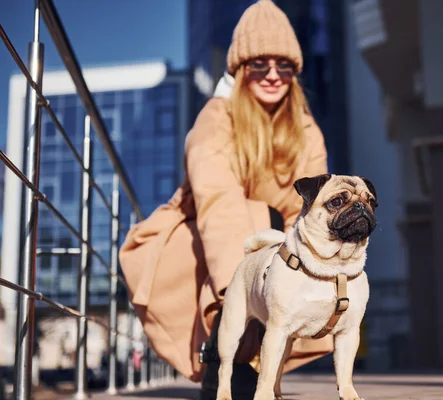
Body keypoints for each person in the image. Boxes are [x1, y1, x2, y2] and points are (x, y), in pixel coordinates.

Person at [119, 0, 333, 398]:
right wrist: (241, 288)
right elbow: (218, 202)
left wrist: (293, 271)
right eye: (259, 64)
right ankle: (224, 358)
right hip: (199, 243)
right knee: (255, 219)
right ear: (239, 69)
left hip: (273, 243)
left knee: (281, 232)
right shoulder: (216, 118)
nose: (273, 75)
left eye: (284, 65)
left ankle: (258, 359)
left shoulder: (306, 130)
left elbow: (308, 210)